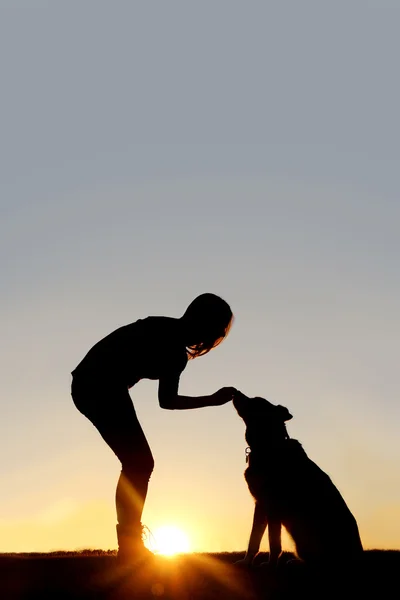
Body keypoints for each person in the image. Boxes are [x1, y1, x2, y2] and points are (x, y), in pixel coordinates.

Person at [71, 293, 235, 565]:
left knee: (138, 463)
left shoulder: (163, 327)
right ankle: (130, 545)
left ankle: (130, 542)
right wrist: (212, 400)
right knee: (139, 463)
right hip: (100, 385)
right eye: (215, 332)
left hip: (94, 383)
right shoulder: (173, 349)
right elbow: (167, 402)